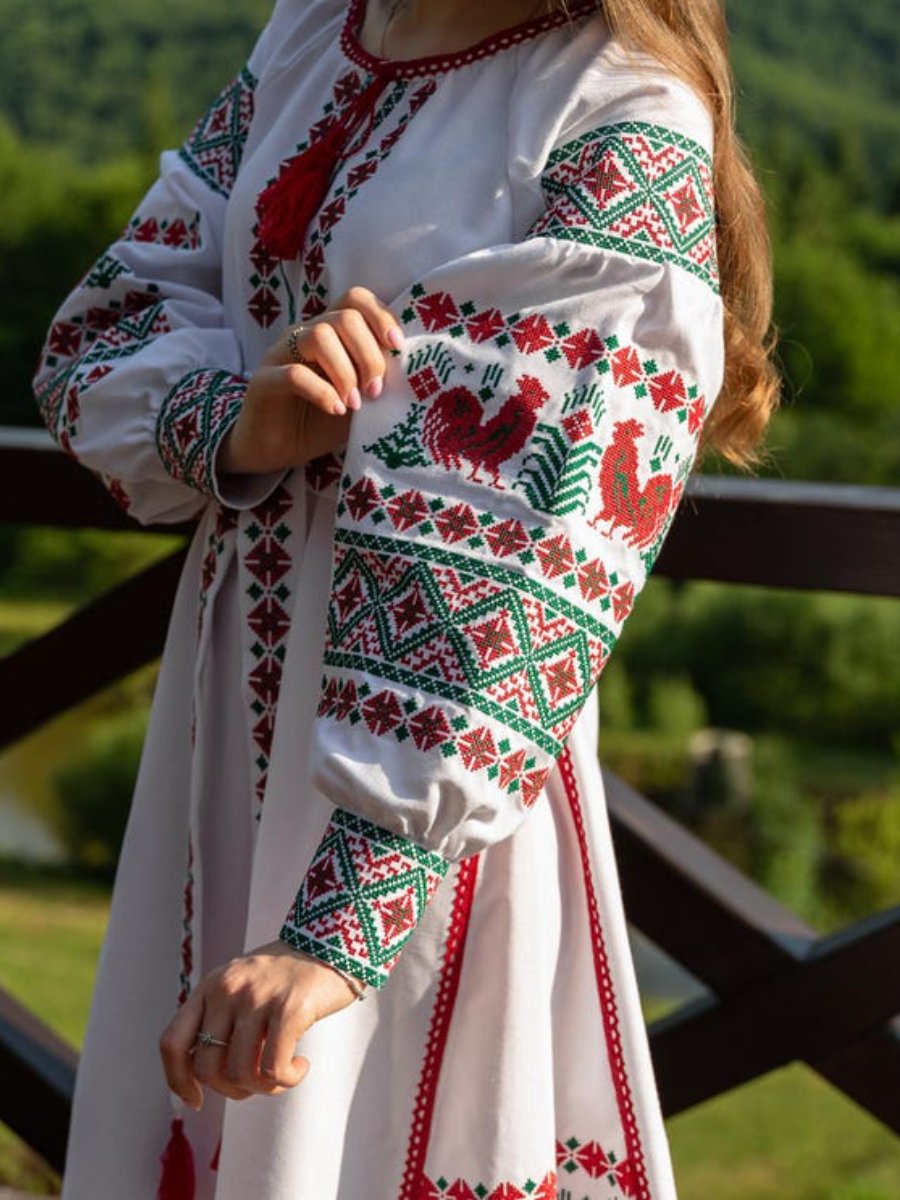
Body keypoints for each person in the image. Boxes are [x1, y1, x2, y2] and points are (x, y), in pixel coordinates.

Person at [33, 1, 778, 1197]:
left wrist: (339, 929)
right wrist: (239, 418)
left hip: (424, 783)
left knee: (356, 1138)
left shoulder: (618, 118)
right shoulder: (318, 32)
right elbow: (104, 332)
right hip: (221, 729)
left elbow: (538, 555)